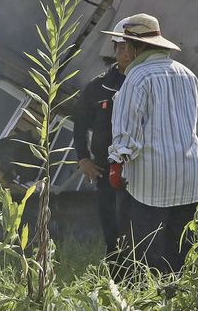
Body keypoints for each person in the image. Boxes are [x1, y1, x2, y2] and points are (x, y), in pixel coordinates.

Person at [105, 13, 198, 274]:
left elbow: (126, 135)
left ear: (135, 46)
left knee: (147, 254)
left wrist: (117, 164)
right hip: (190, 179)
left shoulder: (138, 77)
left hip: (151, 182)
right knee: (181, 253)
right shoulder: (189, 75)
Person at [72, 17, 131, 258]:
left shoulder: (147, 82)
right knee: (112, 228)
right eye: (121, 47)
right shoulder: (98, 86)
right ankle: (116, 277)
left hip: (140, 169)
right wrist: (83, 158)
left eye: (131, 47)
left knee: (138, 227)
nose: (126, 53)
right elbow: (80, 125)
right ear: (115, 50)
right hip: (106, 170)